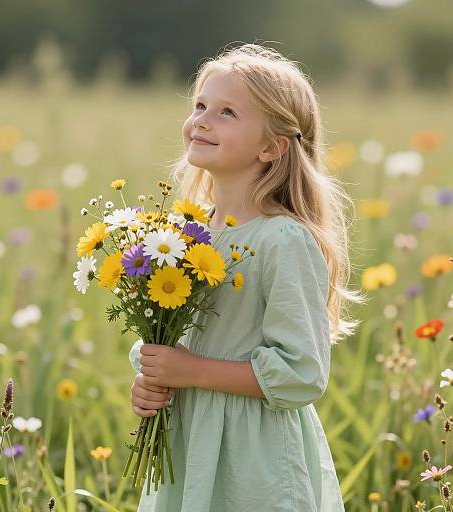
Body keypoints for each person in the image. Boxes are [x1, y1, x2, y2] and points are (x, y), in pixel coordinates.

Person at [130, 42, 366, 512]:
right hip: (189, 438)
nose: (201, 120)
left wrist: (191, 371)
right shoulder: (182, 233)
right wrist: (153, 377)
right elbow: (174, 337)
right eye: (199, 105)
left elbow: (303, 373)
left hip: (252, 453)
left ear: (272, 146)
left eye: (226, 112)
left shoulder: (283, 240)